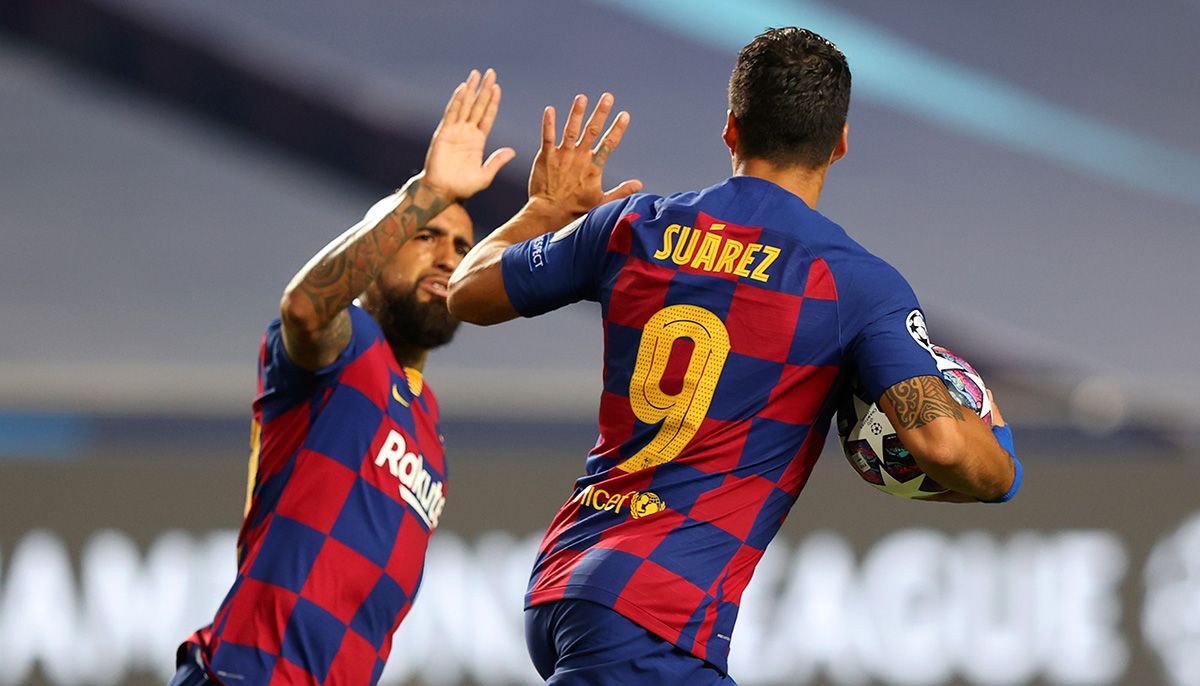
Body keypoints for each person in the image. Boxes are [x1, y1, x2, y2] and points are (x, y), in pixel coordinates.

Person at [447, 27, 1022, 685]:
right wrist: (1003, 471)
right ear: (838, 144)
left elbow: (466, 291)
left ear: (730, 130)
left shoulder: (632, 226)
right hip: (654, 617)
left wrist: (544, 211)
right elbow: (943, 445)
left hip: (563, 586)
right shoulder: (852, 283)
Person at [169, 69, 519, 686]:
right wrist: (428, 189)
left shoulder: (430, 431)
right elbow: (305, 309)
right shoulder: (346, 347)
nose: (448, 256)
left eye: (462, 246)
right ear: (379, 253)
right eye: (426, 235)